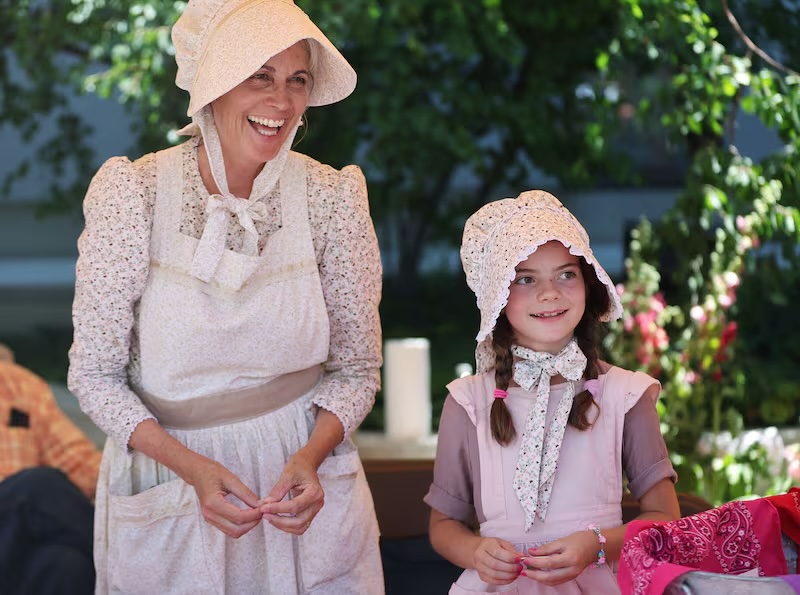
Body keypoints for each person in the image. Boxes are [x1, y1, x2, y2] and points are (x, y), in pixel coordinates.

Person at [67, 0, 384, 592]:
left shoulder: (331, 199)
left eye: (296, 81)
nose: (282, 102)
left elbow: (357, 370)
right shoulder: (134, 196)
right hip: (170, 482)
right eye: (258, 76)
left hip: (302, 492)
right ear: (212, 85)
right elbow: (94, 376)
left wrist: (311, 458)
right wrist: (190, 468)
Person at [424, 190, 681, 594]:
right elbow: (443, 526)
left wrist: (596, 545)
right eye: (526, 279)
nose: (550, 293)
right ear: (498, 297)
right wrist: (476, 552)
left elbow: (665, 519)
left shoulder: (625, 395)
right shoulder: (468, 403)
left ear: (588, 282)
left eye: (566, 274)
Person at [0, 344, 101, 594]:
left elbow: (79, 462)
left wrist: (138, 485)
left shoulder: (18, 385)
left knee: (66, 564)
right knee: (36, 486)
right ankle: (129, 565)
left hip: (13, 540)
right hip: (19, 501)